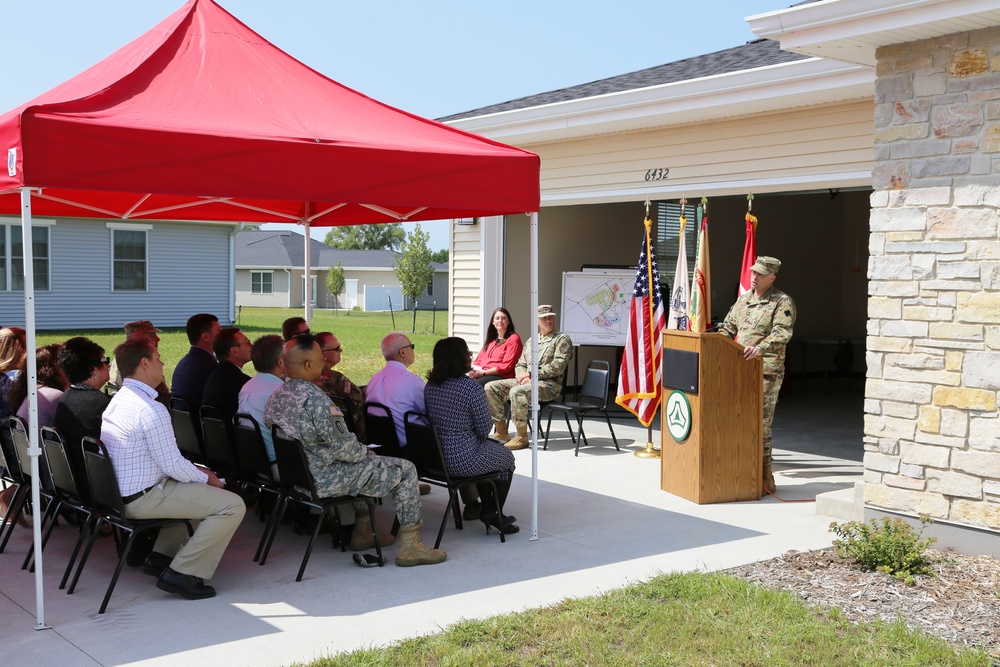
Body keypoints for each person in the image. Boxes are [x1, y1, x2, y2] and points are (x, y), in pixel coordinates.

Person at [264, 335, 446, 567]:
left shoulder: (277, 397)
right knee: (405, 469)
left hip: (299, 477)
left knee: (368, 463)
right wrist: (366, 452)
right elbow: (347, 451)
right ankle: (411, 546)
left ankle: (363, 532)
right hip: (325, 478)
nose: (324, 363)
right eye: (321, 358)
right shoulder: (317, 401)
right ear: (308, 365)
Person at [101, 337, 245, 600]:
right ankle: (182, 573)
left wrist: (198, 477)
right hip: (144, 497)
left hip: (125, 493)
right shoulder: (150, 409)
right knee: (232, 505)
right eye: (158, 358)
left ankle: (161, 558)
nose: (163, 362)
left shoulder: (120, 399)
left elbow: (168, 464)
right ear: (144, 363)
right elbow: (173, 465)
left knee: (194, 489)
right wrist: (208, 477)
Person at [718, 256, 796, 495]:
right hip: (740, 370)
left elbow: (783, 333)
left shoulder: (782, 301)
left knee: (760, 426)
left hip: (766, 372)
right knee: (738, 421)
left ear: (772, 277)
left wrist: (760, 348)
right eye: (753, 273)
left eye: (760, 274)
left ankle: (763, 479)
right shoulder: (743, 300)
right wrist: (716, 340)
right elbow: (729, 326)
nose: (754, 277)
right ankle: (740, 473)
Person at [425, 337, 518, 535]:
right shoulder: (470, 388)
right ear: (458, 358)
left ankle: (487, 510)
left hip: (436, 458)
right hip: (462, 459)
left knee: (490, 455)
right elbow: (484, 428)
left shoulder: (431, 386)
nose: (470, 355)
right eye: (467, 352)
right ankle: (493, 512)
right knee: (506, 458)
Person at [485, 305, 573, 450]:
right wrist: (521, 376)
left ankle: (521, 436)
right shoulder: (533, 340)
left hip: (549, 385)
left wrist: (532, 375)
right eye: (544, 318)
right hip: (527, 382)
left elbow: (559, 365)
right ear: (537, 320)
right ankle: (501, 432)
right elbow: (521, 363)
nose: (548, 320)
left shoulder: (561, 339)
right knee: (491, 387)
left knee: (517, 391)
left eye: (550, 317)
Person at [237, 335, 285, 473]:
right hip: (280, 466)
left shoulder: (247, 387)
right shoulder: (281, 391)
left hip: (254, 463)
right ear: (281, 361)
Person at [55, 337, 113, 449]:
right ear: (92, 369)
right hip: (96, 466)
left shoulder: (66, 396)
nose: (108, 365)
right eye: (105, 360)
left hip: (74, 465)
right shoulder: (103, 404)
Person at [313, 331, 367, 442]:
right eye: (337, 349)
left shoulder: (312, 376)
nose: (341, 350)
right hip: (352, 434)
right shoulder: (335, 379)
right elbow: (360, 400)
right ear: (324, 355)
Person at [171, 313, 221, 416]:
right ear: (205, 336)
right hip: (201, 426)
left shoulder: (184, 362)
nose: (222, 335)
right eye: (218, 331)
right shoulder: (210, 367)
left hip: (184, 426)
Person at [11, 344, 69, 428]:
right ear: (55, 368)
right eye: (64, 363)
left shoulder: (34, 391)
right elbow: (75, 428)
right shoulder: (51, 395)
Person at [201, 327, 252, 419]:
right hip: (232, 432)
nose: (252, 346)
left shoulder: (214, 375)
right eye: (247, 342)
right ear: (234, 351)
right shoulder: (242, 382)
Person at [469, 307, 523, 387]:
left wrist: (483, 373)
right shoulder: (490, 341)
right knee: (464, 383)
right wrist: (474, 372)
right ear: (493, 322)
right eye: (497, 318)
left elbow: (506, 366)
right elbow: (478, 361)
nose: (500, 321)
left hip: (502, 376)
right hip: (484, 374)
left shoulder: (513, 339)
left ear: (508, 321)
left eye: (503, 318)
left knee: (476, 385)